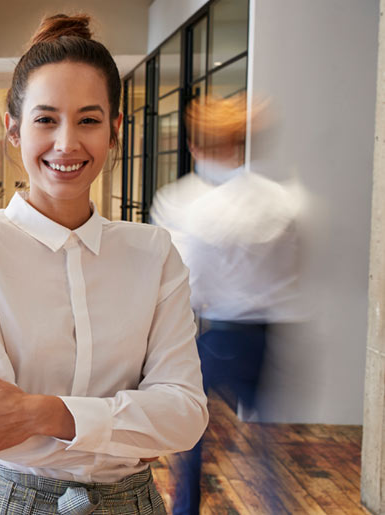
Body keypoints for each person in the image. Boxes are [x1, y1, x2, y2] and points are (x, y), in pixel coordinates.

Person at [0, 15, 208, 514]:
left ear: (114, 130)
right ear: (13, 130)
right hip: (14, 501)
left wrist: (41, 412)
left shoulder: (153, 251)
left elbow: (186, 416)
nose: (67, 143)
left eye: (88, 119)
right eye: (45, 119)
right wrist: (127, 430)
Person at [151, 94, 300, 514]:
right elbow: (292, 272)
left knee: (192, 434)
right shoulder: (283, 201)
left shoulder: (197, 209)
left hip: (221, 333)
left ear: (195, 147)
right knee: (269, 447)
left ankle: (185, 510)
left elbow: (189, 284)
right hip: (270, 336)